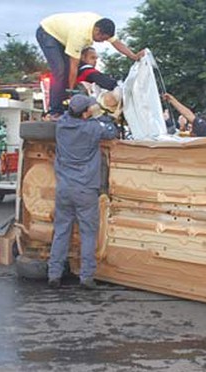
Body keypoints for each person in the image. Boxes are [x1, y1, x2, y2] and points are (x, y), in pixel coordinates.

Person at [47, 94, 118, 290]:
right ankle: (86, 278)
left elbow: (65, 116)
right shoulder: (92, 128)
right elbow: (111, 132)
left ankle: (54, 274)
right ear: (86, 113)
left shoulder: (61, 125)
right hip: (86, 189)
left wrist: (89, 114)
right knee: (88, 234)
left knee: (61, 231)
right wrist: (102, 117)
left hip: (64, 188)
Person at [36, 12, 144, 119]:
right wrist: (71, 90)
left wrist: (133, 56)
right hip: (47, 32)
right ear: (97, 30)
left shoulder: (103, 25)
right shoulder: (79, 35)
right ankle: (55, 111)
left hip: (62, 35)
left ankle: (63, 104)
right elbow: (74, 66)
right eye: (101, 39)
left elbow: (117, 43)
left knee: (67, 72)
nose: (102, 42)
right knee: (60, 70)